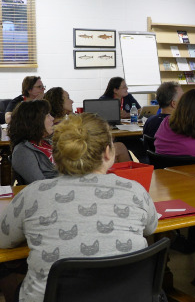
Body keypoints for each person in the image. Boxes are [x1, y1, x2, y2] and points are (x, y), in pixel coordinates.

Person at [0, 113, 158, 302]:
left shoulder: (32, 193)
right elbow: (151, 228)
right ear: (108, 153)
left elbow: (4, 240)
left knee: (6, 274)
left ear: (55, 157)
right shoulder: (135, 190)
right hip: (127, 295)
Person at [8, 100, 57, 185]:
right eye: (48, 115)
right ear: (35, 121)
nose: (52, 118)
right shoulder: (23, 151)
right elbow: (39, 185)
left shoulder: (48, 142)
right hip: (52, 194)